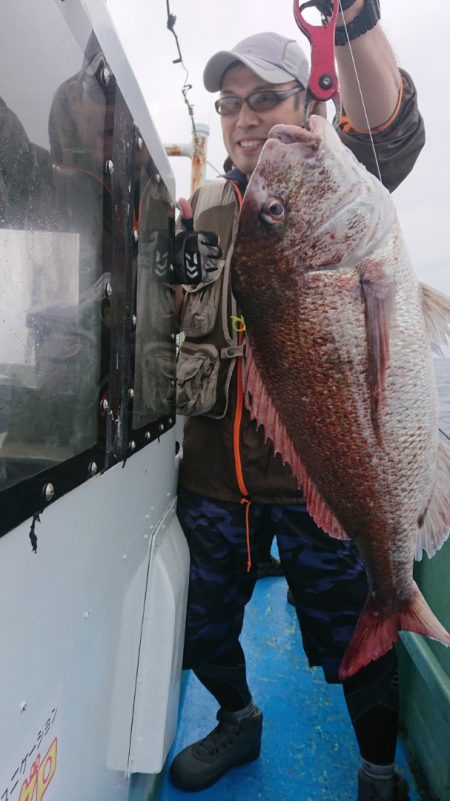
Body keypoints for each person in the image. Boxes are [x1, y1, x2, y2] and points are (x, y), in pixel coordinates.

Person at [171, 2, 425, 799]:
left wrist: (351, 25)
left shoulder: (329, 169)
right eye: (231, 104)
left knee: (361, 630)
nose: (247, 119)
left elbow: (390, 126)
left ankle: (378, 767)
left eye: (266, 98)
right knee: (203, 627)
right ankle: (239, 717)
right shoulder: (202, 211)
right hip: (216, 476)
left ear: (309, 103)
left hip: (319, 480)